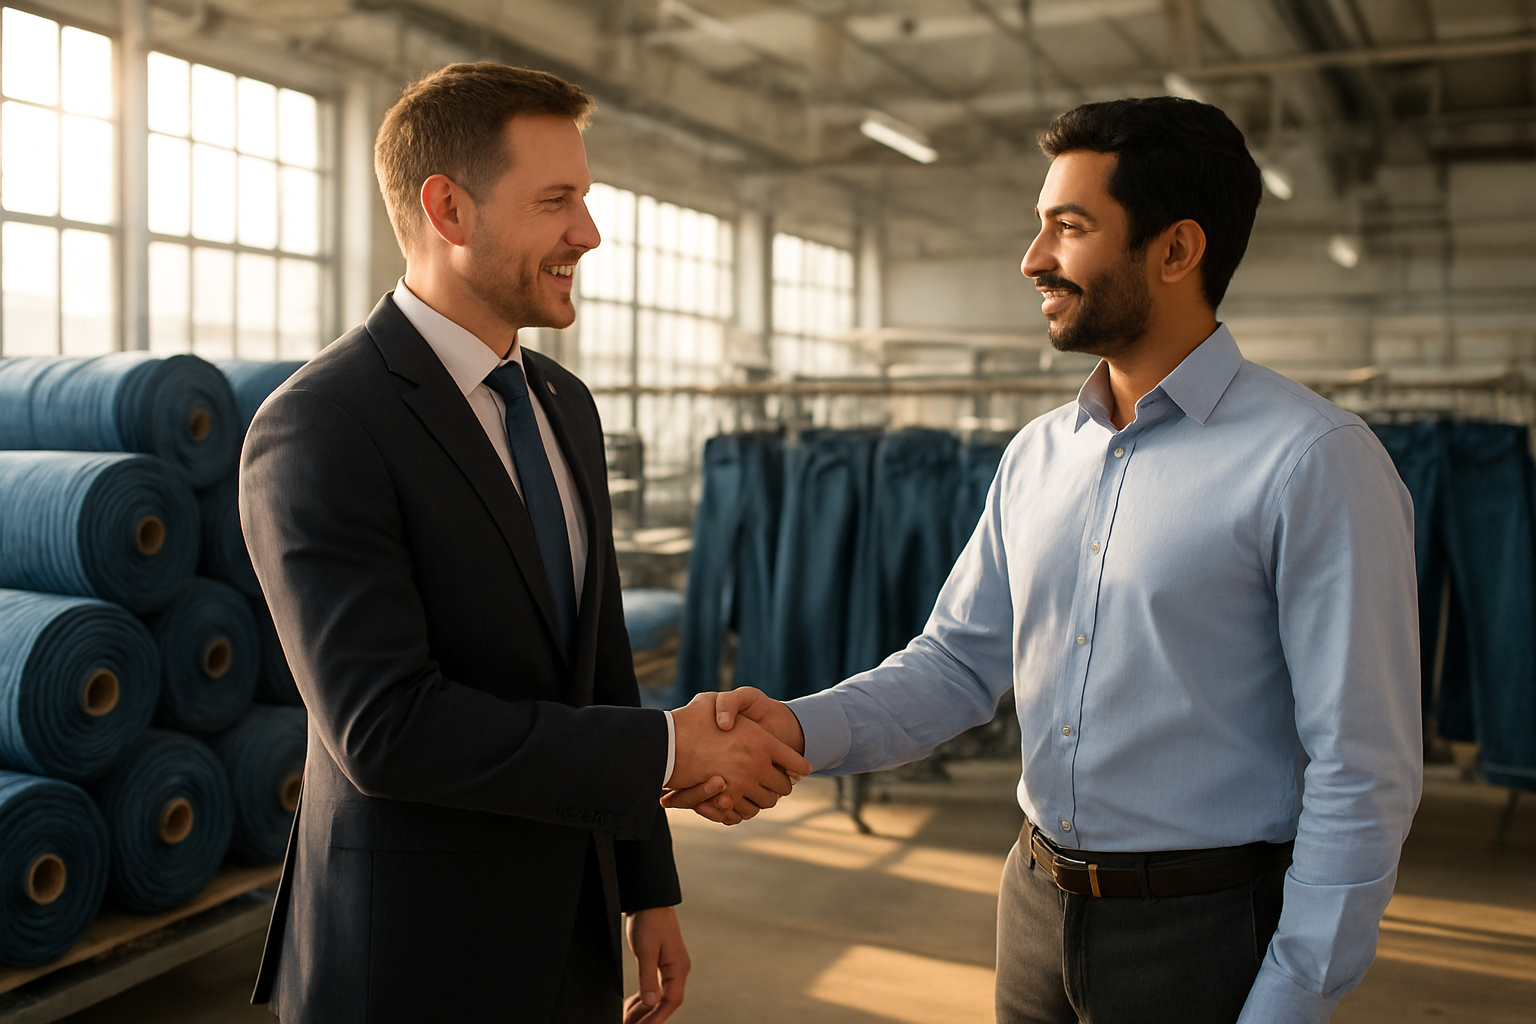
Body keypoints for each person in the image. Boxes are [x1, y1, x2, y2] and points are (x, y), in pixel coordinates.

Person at [668, 96, 1422, 1024]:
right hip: (1033, 906)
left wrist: (1294, 996)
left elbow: (1363, 766)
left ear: (1177, 250)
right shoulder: (1038, 454)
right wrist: (790, 727)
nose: (1034, 260)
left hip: (1204, 930)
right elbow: (954, 664)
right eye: (1041, 225)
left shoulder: (1314, 462)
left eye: (1070, 227)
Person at [240, 62, 809, 1024]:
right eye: (557, 202)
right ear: (449, 209)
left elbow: (600, 661)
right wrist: (670, 751)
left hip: (569, 928)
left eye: (584, 199)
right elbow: (387, 729)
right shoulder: (323, 425)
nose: (587, 233)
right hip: (408, 955)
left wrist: (647, 884)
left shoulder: (560, 404)